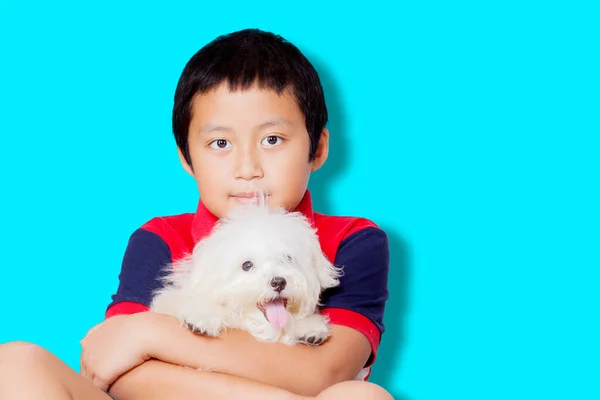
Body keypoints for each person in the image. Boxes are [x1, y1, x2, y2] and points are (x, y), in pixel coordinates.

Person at [0, 28, 393, 400]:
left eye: (272, 139)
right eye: (220, 142)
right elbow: (114, 370)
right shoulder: (159, 239)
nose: (246, 167)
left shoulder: (352, 241)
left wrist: (151, 334)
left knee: (361, 395)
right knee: (14, 362)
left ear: (318, 148)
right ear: (187, 158)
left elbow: (326, 372)